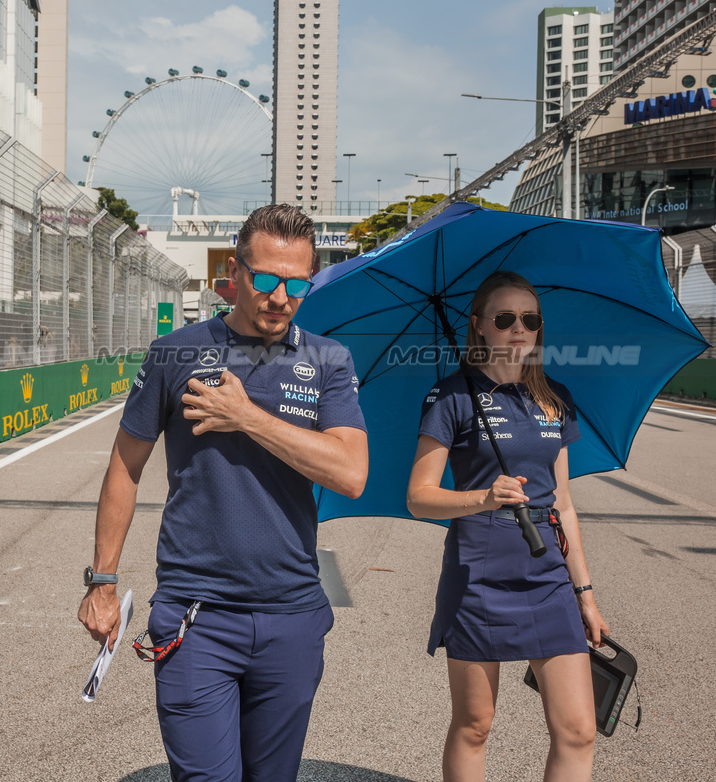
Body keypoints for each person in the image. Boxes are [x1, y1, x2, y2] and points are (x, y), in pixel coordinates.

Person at [77, 205, 369, 782]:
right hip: (197, 613)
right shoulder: (176, 352)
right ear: (234, 273)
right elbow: (124, 468)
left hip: (293, 613)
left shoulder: (328, 359)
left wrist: (247, 416)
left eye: (297, 284)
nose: (280, 297)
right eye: (265, 279)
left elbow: (350, 474)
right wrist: (103, 582)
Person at [406, 270, 609, 782]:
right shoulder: (452, 395)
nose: (519, 328)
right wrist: (482, 495)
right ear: (479, 326)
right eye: (505, 318)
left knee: (578, 729)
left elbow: (563, 500)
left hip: (547, 572)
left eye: (530, 318)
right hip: (479, 568)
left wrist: (584, 592)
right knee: (475, 724)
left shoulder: (553, 395)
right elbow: (419, 497)